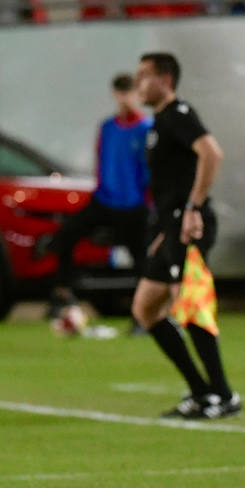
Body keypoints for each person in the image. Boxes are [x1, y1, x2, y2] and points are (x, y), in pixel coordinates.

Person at [130, 52, 239, 420]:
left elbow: (212, 153)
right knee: (145, 309)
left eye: (144, 76)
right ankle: (200, 390)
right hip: (170, 227)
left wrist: (193, 207)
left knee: (190, 306)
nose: (138, 83)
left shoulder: (179, 115)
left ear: (165, 80)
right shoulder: (159, 123)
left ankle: (223, 396)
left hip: (188, 224)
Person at [48, 74, 151, 311]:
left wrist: (149, 202)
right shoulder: (107, 127)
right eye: (120, 92)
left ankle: (144, 313)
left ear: (137, 94)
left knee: (142, 260)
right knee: (66, 234)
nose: (124, 98)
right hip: (105, 202)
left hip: (134, 205)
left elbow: (149, 169)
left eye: (129, 92)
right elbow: (101, 162)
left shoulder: (145, 128)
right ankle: (62, 293)